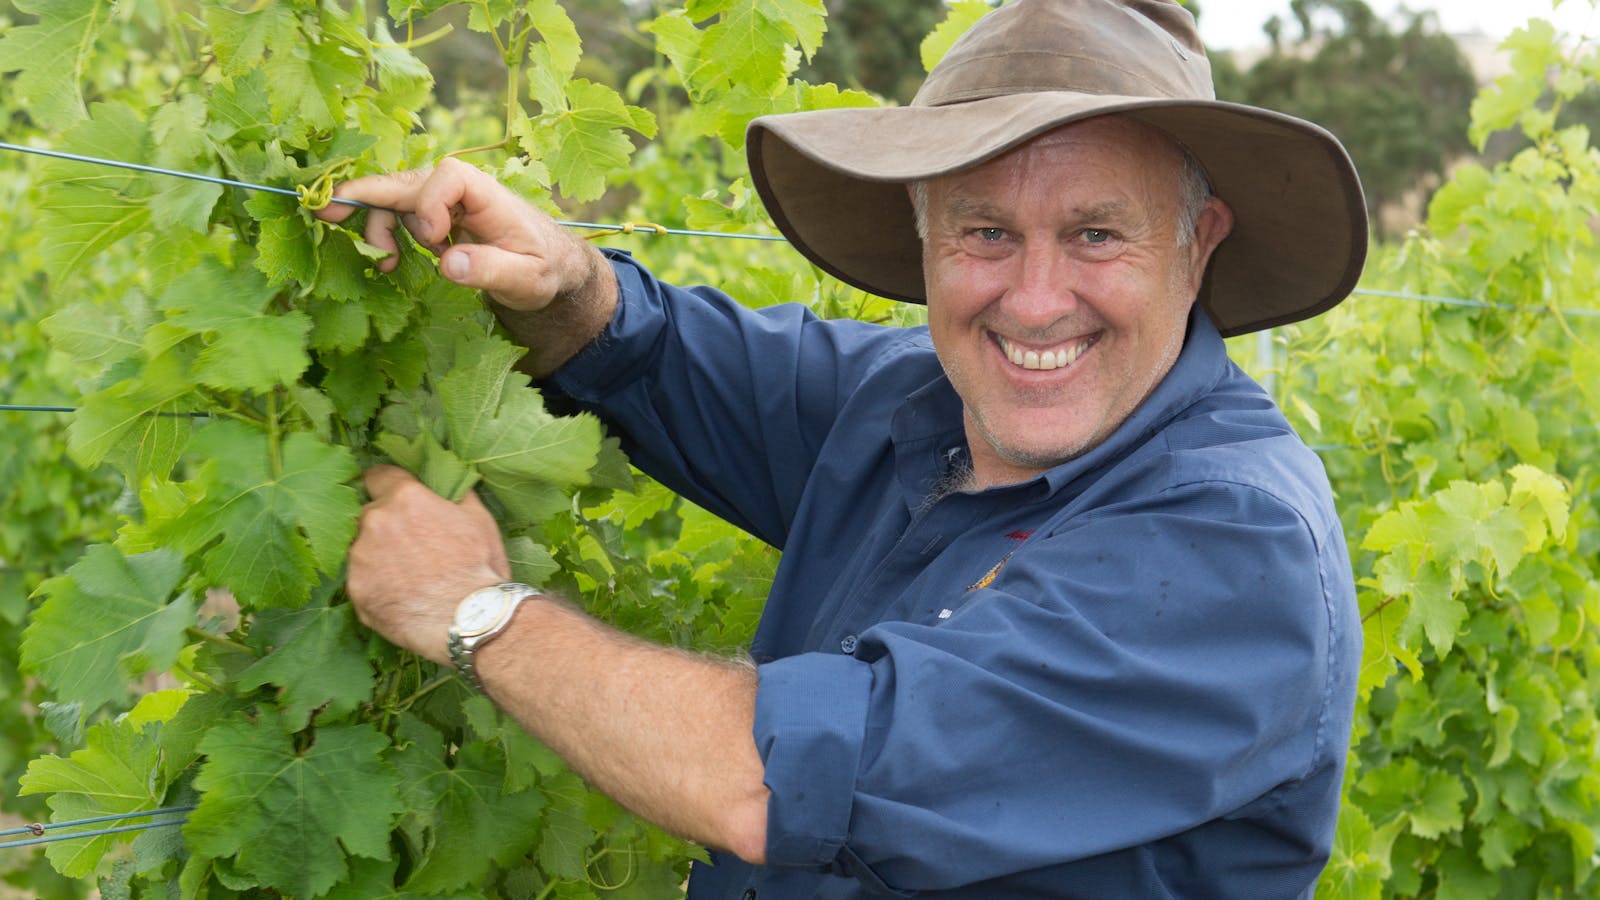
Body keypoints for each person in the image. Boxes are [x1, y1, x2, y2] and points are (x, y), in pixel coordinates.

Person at [319, 0, 1367, 896]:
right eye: (986, 232)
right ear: (922, 225)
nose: (1036, 300)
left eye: (1097, 234)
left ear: (1198, 241)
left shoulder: (1234, 542)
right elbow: (653, 354)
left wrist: (474, 607)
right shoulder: (911, 400)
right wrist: (559, 278)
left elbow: (775, 781)